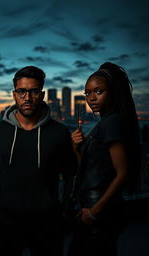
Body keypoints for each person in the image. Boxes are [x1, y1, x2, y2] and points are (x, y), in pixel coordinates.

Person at [0, 66, 77, 256]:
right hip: (6, 223)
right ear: (14, 94)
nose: (27, 98)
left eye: (34, 91)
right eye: (22, 91)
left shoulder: (59, 132)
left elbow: (71, 174)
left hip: (48, 223)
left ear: (42, 94)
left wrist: (64, 208)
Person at [68, 62, 141, 256]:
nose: (91, 98)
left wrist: (94, 212)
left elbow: (123, 173)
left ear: (113, 92)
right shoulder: (106, 123)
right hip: (95, 209)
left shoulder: (111, 123)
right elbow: (95, 167)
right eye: (87, 93)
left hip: (99, 211)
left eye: (98, 91)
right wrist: (77, 148)